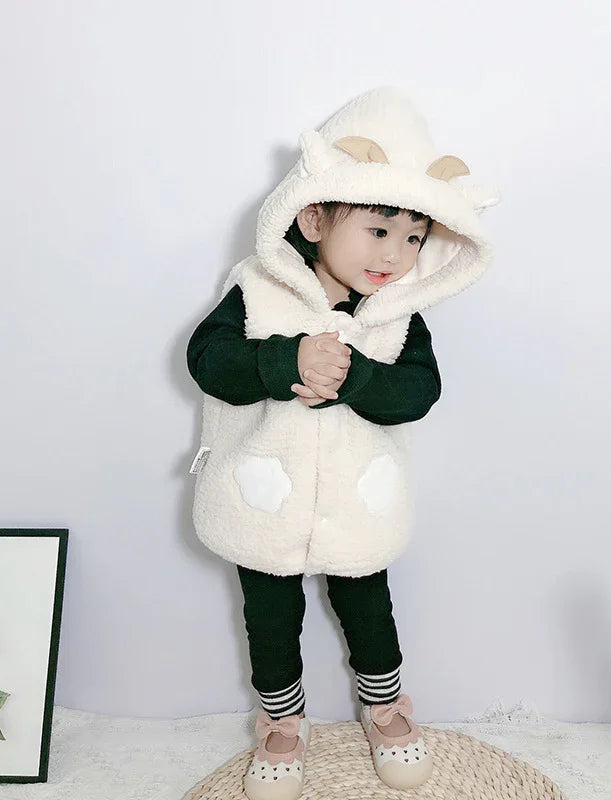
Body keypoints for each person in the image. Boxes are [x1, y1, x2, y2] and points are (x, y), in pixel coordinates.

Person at [186, 85, 498, 800]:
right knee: (269, 614)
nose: (396, 254)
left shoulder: (398, 316)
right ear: (316, 215)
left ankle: (385, 705)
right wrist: (283, 360)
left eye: (415, 237)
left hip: (360, 500)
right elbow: (208, 361)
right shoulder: (257, 291)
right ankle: (280, 720)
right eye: (379, 230)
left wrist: (356, 376)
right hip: (263, 496)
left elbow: (418, 393)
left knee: (368, 605)